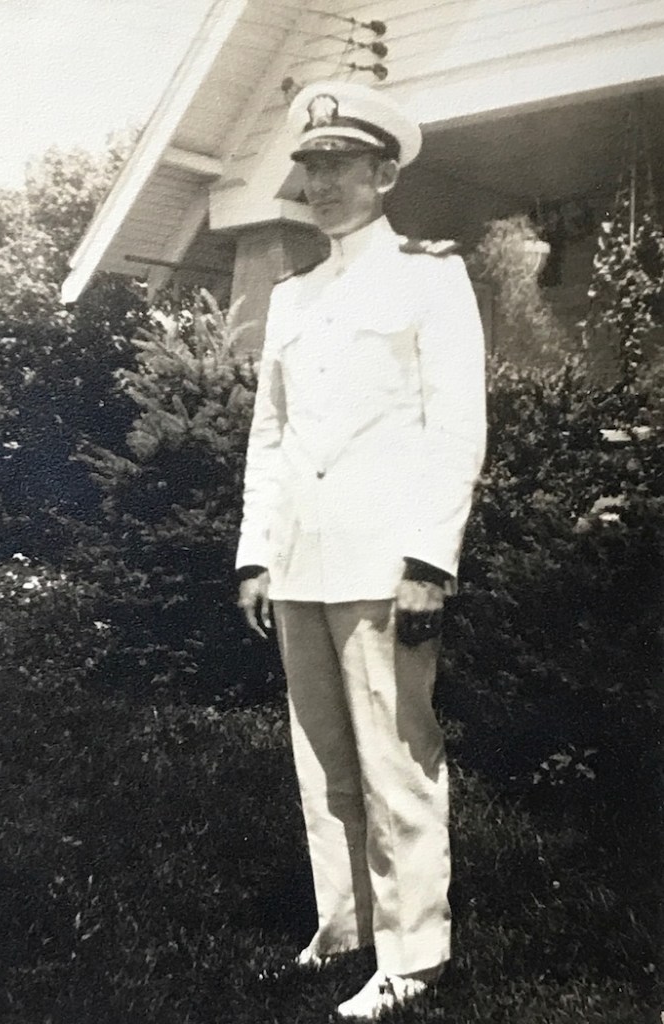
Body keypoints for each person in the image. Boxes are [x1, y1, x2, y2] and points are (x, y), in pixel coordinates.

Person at [236, 79, 487, 1020]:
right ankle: (344, 927)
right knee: (321, 758)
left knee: (396, 760)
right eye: (311, 166)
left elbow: (454, 427)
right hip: (301, 558)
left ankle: (414, 957)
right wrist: (256, 553)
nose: (320, 182)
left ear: (384, 175)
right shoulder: (294, 296)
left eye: (339, 165)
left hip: (386, 561)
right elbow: (271, 434)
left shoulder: (430, 277)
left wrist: (430, 560)